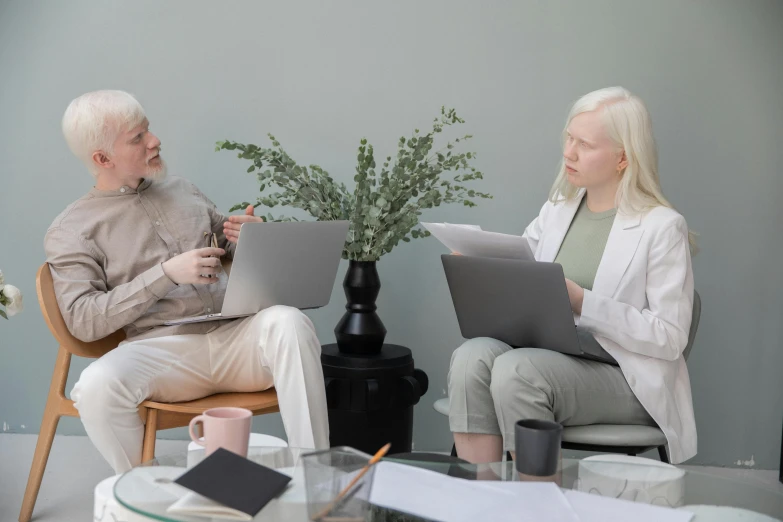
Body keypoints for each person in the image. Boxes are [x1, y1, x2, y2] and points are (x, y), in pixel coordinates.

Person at [45, 90, 329, 473]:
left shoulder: (183, 190)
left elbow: (224, 248)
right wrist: (164, 275)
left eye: (148, 130)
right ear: (102, 158)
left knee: (290, 322)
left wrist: (246, 240)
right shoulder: (71, 230)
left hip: (235, 339)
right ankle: (144, 492)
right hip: (163, 355)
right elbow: (83, 320)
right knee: (95, 386)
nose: (154, 140)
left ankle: (315, 481)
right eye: (137, 138)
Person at [448, 86, 697, 465]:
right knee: (472, 356)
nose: (569, 152)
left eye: (585, 144)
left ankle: (534, 500)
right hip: (552, 354)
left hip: (623, 377)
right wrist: (481, 266)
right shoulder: (559, 209)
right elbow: (524, 271)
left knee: (519, 371)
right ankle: (481, 494)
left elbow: (670, 337)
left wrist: (583, 301)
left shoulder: (662, 227)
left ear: (622, 158)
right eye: (569, 138)